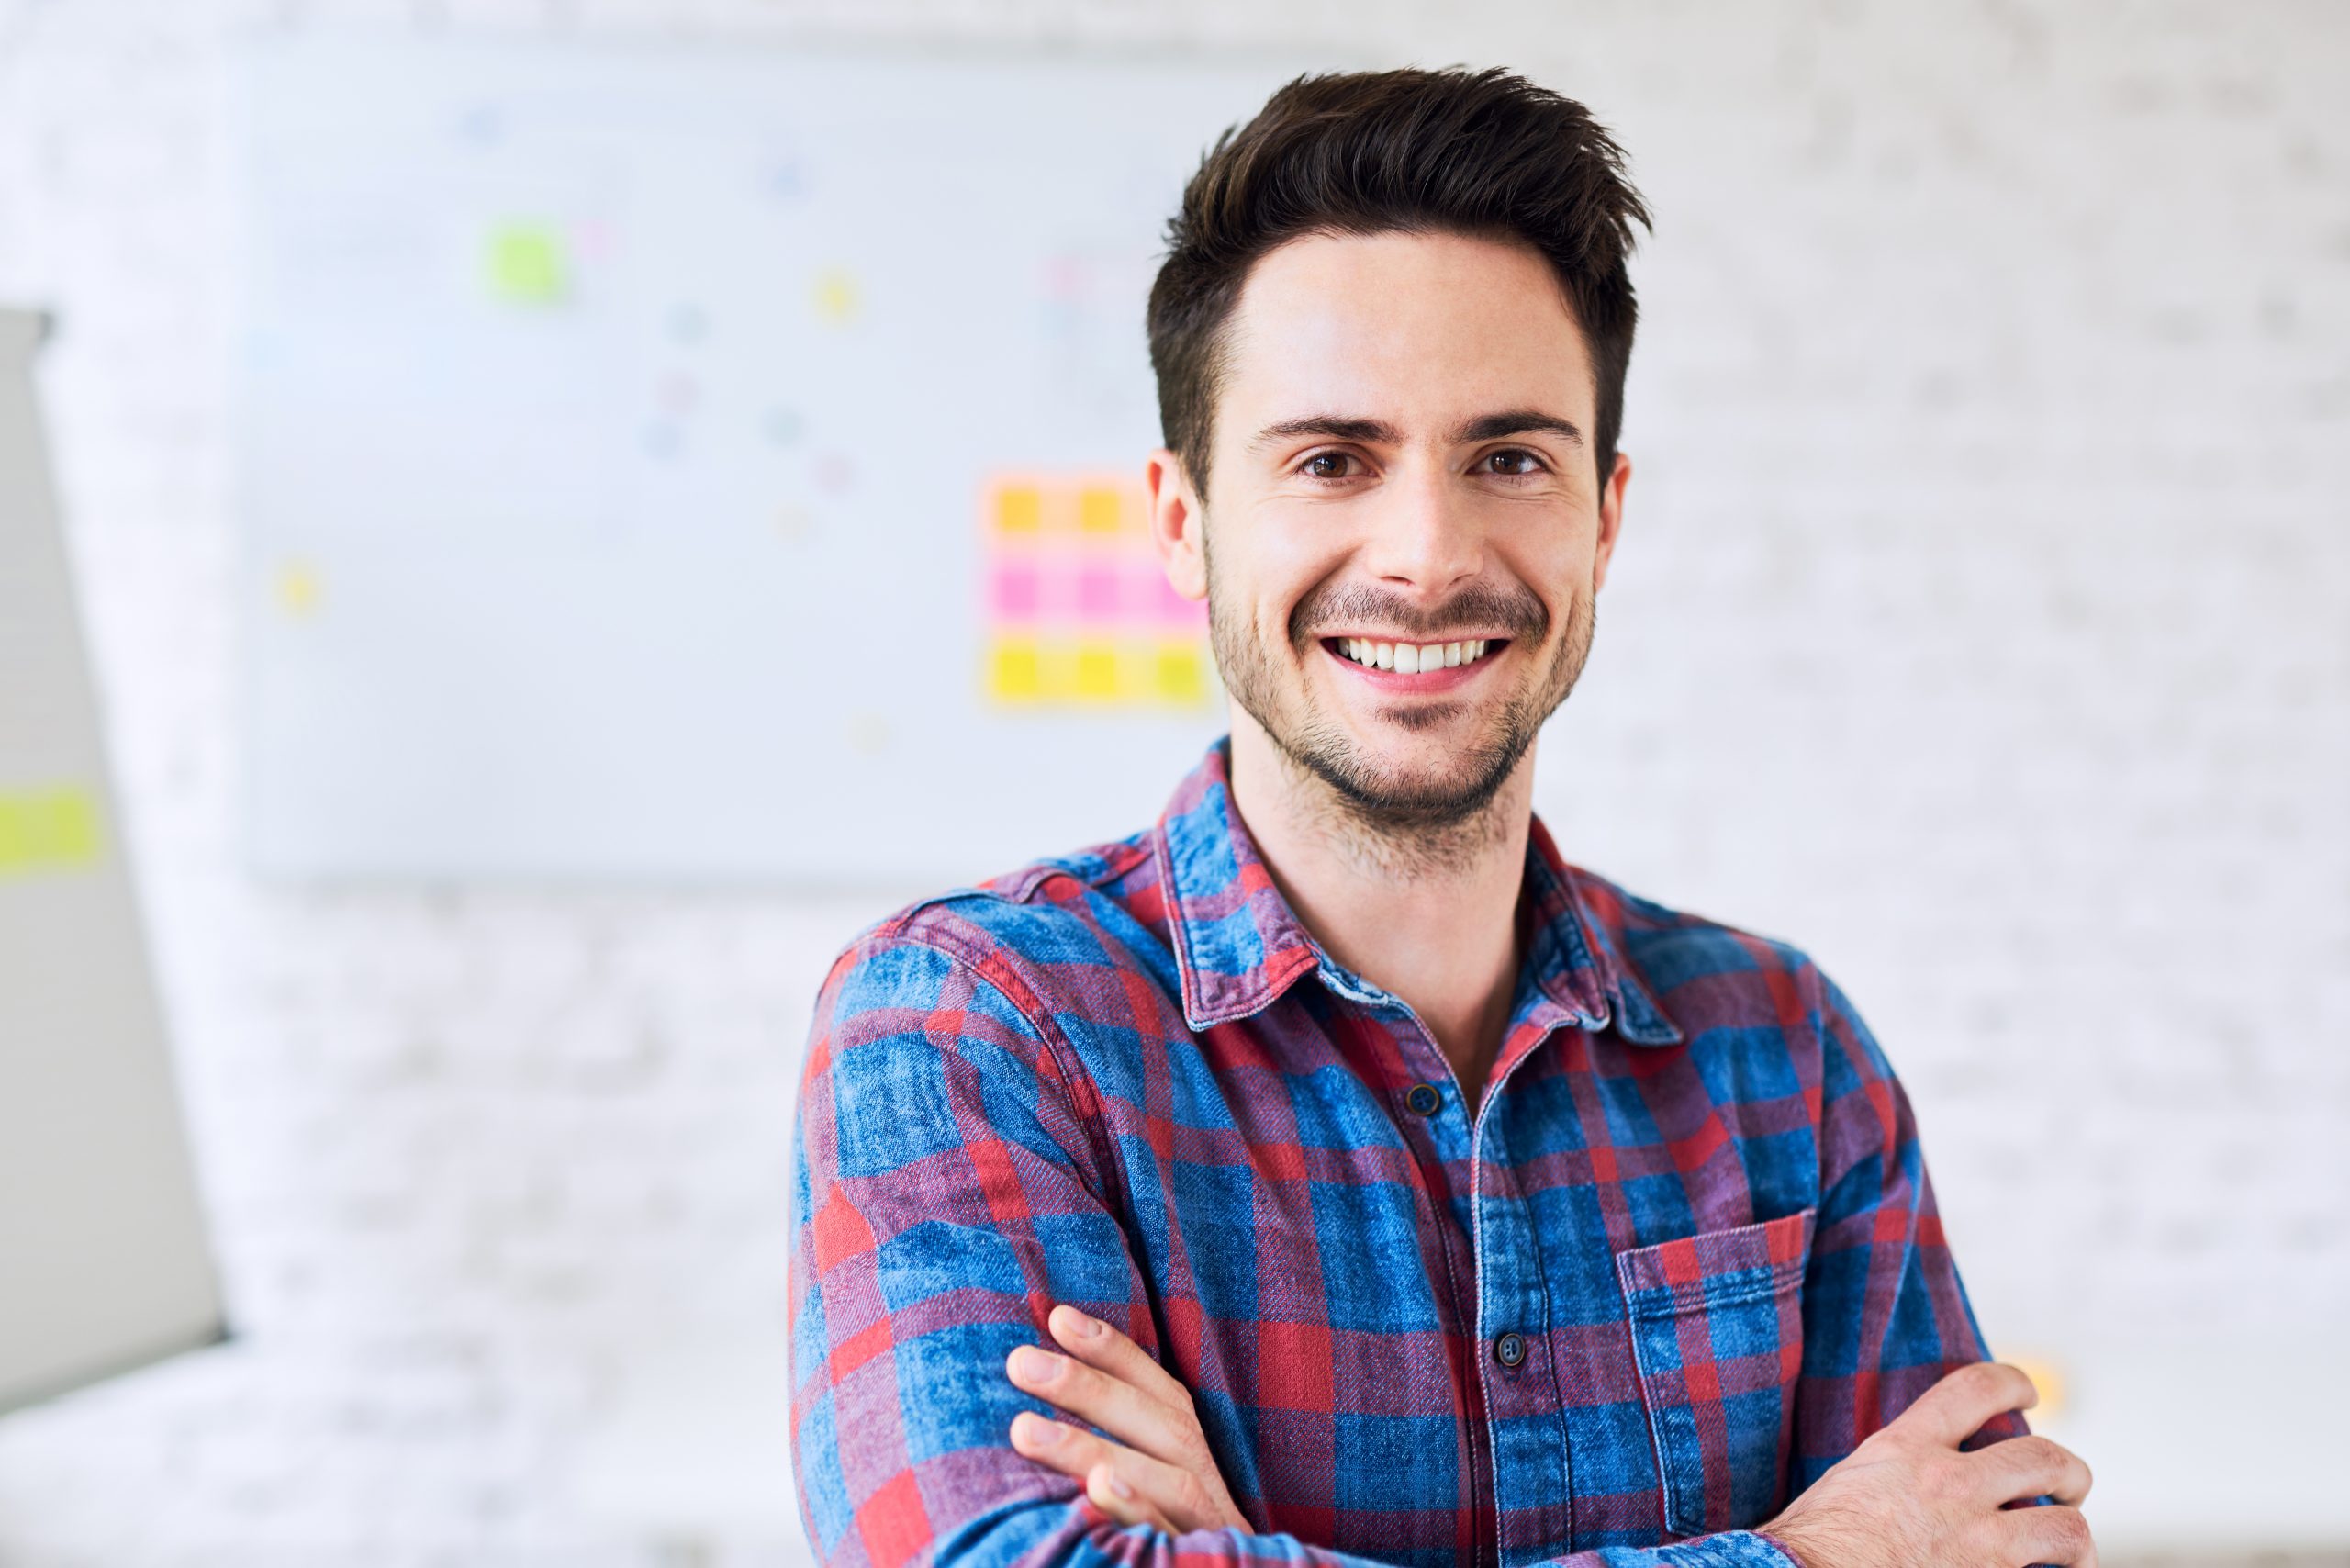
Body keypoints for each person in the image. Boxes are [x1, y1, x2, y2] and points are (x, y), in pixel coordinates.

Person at [789, 66, 2095, 1568]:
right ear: (1181, 521)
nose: (1422, 554)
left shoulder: (1786, 1054)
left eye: (1510, 459)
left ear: (1602, 519)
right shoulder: (974, 1031)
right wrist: (1808, 1557)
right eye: (1331, 460)